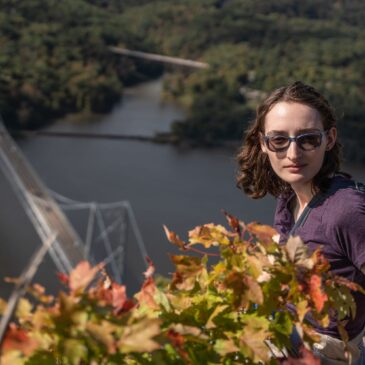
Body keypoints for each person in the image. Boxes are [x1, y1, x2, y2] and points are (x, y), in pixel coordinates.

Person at [236, 81, 365, 364]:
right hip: (286, 333)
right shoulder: (289, 199)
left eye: (308, 139)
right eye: (279, 140)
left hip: (322, 352)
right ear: (263, 143)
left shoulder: (347, 210)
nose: (293, 154)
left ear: (329, 139)